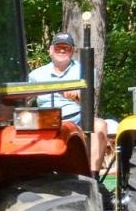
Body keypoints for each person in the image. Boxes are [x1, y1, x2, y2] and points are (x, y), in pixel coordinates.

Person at [29, 31, 101, 169]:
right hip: (45, 120)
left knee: (99, 126)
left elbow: (90, 98)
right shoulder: (36, 75)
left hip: (77, 119)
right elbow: (24, 100)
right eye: (58, 47)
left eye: (66, 48)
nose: (62, 50)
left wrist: (78, 95)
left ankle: (93, 176)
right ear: (50, 50)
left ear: (73, 51)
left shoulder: (85, 71)